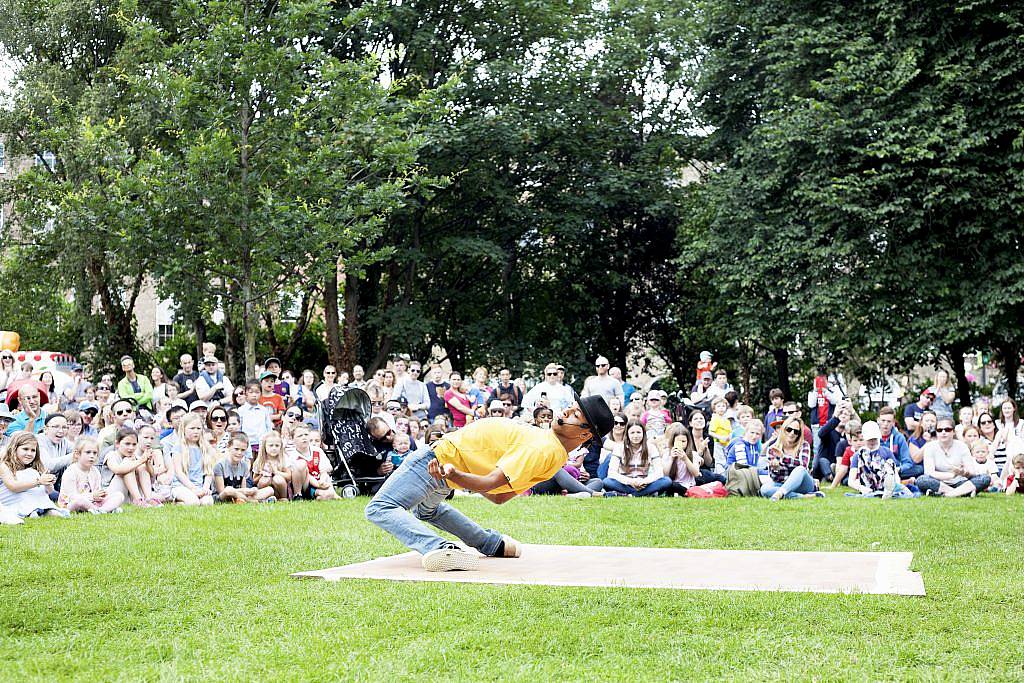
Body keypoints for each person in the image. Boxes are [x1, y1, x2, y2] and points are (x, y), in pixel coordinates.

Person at [365, 396, 614, 571]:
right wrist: (455, 475)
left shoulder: (543, 448)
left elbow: (490, 484)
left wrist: (450, 474)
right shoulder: (555, 454)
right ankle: (491, 543)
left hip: (437, 461)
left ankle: (440, 548)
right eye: (569, 407)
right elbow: (499, 496)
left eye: (575, 414)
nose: (565, 412)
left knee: (379, 508)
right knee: (426, 510)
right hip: (447, 467)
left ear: (584, 434)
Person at [0, 432, 69, 519]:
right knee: (27, 481)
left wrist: (48, 483)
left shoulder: (36, 466)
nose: (29, 453)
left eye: (33, 450)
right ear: (14, 449)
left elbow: (49, 491)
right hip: (13, 499)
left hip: (36, 498)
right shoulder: (5, 465)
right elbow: (13, 487)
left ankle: (46, 509)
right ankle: (30, 511)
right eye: (25, 449)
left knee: (33, 477)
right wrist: (39, 481)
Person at [916, 417, 991, 497]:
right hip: (939, 483)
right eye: (939, 430)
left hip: (961, 482)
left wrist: (963, 472)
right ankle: (962, 493)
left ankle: (947, 494)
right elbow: (929, 472)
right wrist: (952, 475)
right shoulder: (930, 447)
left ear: (953, 432)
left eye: (947, 429)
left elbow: (972, 472)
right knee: (922, 480)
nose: (943, 432)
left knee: (985, 478)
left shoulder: (962, 446)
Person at [601, 419, 672, 496]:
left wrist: (644, 481)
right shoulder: (619, 447)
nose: (635, 436)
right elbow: (612, 473)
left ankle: (630, 495)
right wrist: (631, 482)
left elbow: (659, 472)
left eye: (638, 432)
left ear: (643, 433)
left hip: (644, 483)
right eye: (632, 433)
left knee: (666, 481)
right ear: (627, 434)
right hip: (625, 483)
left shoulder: (651, 447)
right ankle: (643, 493)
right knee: (607, 481)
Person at [58, 436, 125, 513]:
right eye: (88, 452)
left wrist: (101, 494)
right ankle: (105, 509)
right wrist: (92, 496)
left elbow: (97, 490)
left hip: (93, 502)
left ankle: (102, 510)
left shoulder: (95, 471)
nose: (92, 456)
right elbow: (71, 497)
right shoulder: (71, 472)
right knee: (80, 501)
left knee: (119, 495)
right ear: (77, 454)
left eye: (95, 453)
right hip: (72, 503)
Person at [761, 416, 821, 500]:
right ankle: (802, 497)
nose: (792, 433)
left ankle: (779, 494)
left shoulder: (804, 445)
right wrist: (776, 468)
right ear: (783, 429)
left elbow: (803, 466)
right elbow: (774, 478)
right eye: (789, 429)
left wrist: (783, 458)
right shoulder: (772, 448)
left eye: (796, 431)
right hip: (783, 483)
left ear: (799, 434)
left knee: (799, 469)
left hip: (803, 484)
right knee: (764, 489)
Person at [846, 421, 911, 498]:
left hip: (885, 483)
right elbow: (851, 481)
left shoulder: (886, 451)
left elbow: (895, 473)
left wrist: (896, 485)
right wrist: (861, 488)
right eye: (869, 439)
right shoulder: (858, 455)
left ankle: (889, 490)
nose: (872, 441)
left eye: (874, 438)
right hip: (867, 485)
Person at [102, 427, 160, 507]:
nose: (131, 448)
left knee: (141, 468)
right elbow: (117, 470)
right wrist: (140, 461)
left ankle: (148, 499)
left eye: (134, 444)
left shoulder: (135, 456)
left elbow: (152, 473)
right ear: (117, 444)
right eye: (127, 444)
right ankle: (138, 500)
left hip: (128, 495)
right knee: (128, 465)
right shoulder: (111, 455)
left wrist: (146, 462)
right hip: (112, 494)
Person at [169, 414, 216, 506]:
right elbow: (179, 473)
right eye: (192, 428)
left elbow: (208, 472)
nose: (196, 431)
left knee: (208, 502)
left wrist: (205, 488)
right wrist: (193, 488)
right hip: (181, 486)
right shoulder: (178, 447)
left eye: (198, 428)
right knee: (193, 502)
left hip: (199, 486)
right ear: (184, 429)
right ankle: (177, 503)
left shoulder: (205, 447)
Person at [213, 432, 273, 503]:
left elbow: (244, 489)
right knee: (229, 490)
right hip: (222, 496)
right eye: (236, 449)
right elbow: (222, 491)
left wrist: (250, 491)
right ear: (228, 446)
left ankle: (245, 500)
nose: (239, 453)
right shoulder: (219, 465)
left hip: (239, 495)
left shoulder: (244, 465)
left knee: (270, 490)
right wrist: (243, 491)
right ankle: (253, 501)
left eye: (243, 450)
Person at [290, 423, 338, 501]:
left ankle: (323, 495)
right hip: (305, 485)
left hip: (319, 481)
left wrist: (322, 481)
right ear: (292, 439)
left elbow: (324, 471)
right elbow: (307, 476)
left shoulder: (317, 451)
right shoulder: (292, 455)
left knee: (327, 493)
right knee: (301, 465)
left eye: (306, 434)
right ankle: (298, 496)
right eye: (300, 436)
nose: (304, 438)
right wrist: (318, 484)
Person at [877, 406, 916, 481]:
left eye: (889, 421)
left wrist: (898, 469)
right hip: (878, 468)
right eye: (883, 420)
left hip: (896, 469)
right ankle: (904, 481)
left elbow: (907, 461)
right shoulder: (873, 436)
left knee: (919, 469)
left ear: (893, 422)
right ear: (878, 420)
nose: (885, 424)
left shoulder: (899, 437)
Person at [36, 412, 72, 491]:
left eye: (64, 427)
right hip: (39, 484)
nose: (61, 431)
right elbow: (48, 466)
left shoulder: (64, 441)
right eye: (56, 427)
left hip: (56, 483)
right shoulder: (39, 440)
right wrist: (73, 456)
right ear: (45, 429)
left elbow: (80, 450)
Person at [664, 423, 701, 496]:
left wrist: (685, 459)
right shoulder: (667, 454)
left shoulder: (693, 454)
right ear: (673, 441)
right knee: (668, 483)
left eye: (683, 441)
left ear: (688, 442)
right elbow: (665, 474)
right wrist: (671, 459)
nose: (681, 444)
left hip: (688, 485)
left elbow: (696, 474)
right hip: (673, 483)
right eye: (678, 441)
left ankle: (682, 493)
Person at [252, 431, 291, 501]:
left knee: (278, 479)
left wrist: (276, 472)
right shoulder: (260, 461)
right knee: (264, 480)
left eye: (277, 445)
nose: (274, 448)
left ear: (281, 447)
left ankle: (283, 498)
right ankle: (265, 498)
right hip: (266, 488)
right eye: (271, 445)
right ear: (265, 446)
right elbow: (254, 480)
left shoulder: (283, 459)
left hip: (280, 488)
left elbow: (289, 477)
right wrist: (262, 475)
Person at [237, 381, 273, 454]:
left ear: (261, 394)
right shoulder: (241, 410)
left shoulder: (264, 410)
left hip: (262, 444)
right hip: (247, 444)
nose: (254, 395)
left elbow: (268, 427)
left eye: (257, 392)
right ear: (246, 393)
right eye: (251, 392)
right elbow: (239, 428)